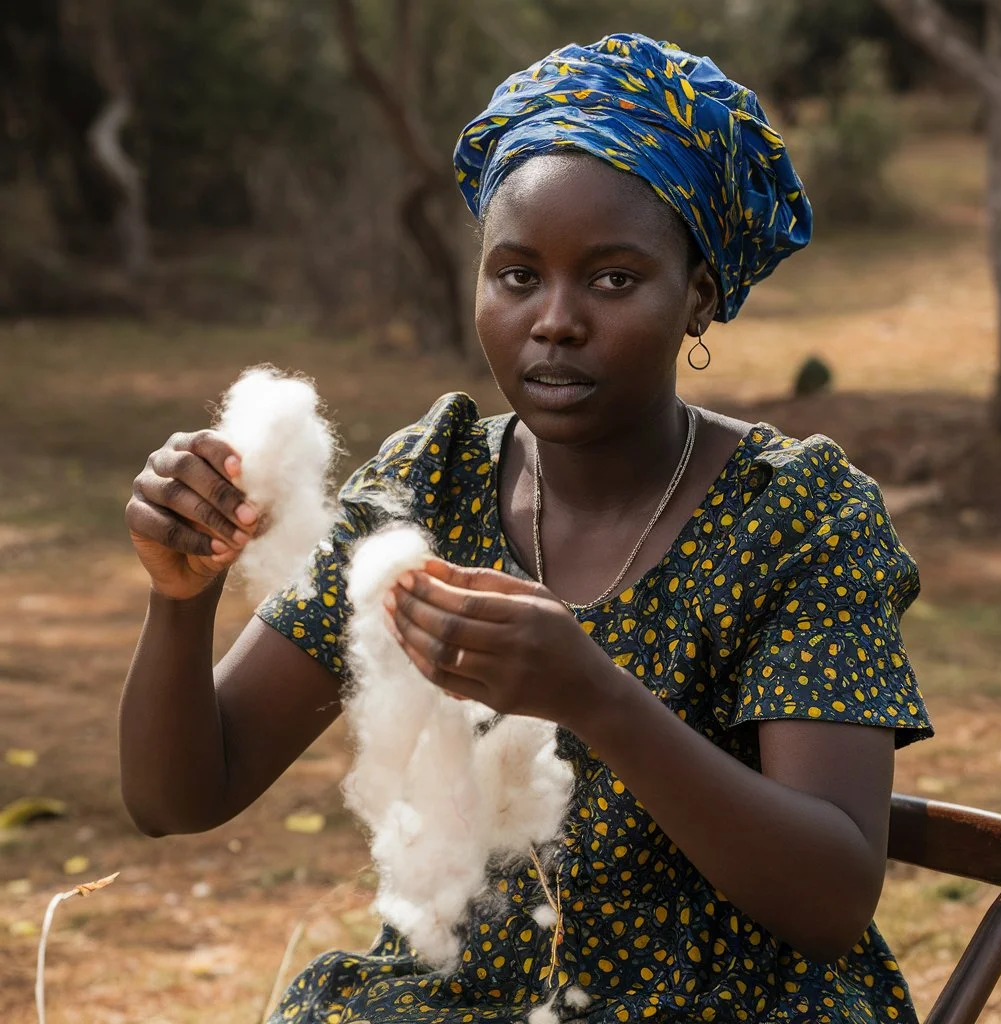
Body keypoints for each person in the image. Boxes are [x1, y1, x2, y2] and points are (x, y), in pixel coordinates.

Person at [120, 33, 932, 1024]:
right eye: (516, 275)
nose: (554, 320)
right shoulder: (434, 482)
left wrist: (593, 694)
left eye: (613, 278)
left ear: (701, 295)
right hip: (473, 995)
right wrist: (179, 596)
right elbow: (181, 796)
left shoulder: (796, 518)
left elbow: (831, 899)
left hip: (738, 1000)